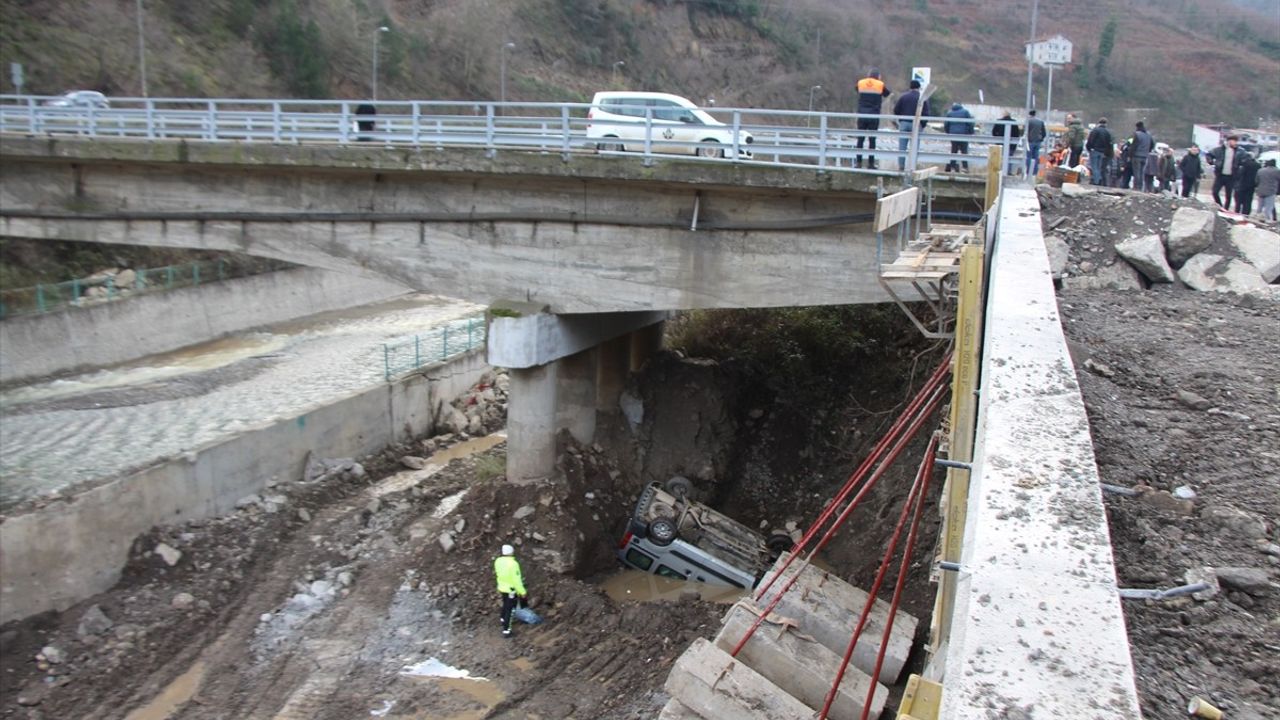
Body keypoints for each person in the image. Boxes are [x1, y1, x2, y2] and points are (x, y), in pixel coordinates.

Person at [854, 68, 891, 169]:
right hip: (874, 115)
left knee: (860, 139)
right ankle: (871, 164)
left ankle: (858, 163)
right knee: (872, 139)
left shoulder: (861, 82)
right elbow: (887, 94)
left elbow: (856, 90)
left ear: (868, 75)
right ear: (878, 76)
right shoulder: (880, 84)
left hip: (862, 114)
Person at [892, 79, 930, 171]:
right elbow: (926, 113)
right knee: (914, 147)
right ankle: (912, 167)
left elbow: (896, 110)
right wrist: (922, 124)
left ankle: (901, 166)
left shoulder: (903, 97)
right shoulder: (922, 98)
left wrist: (901, 119)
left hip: (904, 123)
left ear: (910, 87)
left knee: (902, 147)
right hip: (916, 124)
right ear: (919, 87)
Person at [494, 544, 527, 638]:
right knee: (510, 609)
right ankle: (507, 631)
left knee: (505, 604)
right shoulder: (513, 564)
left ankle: (503, 619)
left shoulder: (498, 561)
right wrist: (522, 592)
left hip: (502, 587)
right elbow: (517, 580)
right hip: (511, 590)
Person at [1209, 135, 1245, 208]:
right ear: (1229, 141)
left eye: (1236, 141)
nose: (1235, 143)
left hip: (1232, 176)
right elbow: (1209, 154)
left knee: (1228, 195)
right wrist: (1211, 162)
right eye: (1233, 141)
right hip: (1220, 174)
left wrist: (1241, 166)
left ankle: (1226, 209)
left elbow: (1245, 159)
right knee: (1215, 192)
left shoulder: (1240, 151)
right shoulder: (1219, 149)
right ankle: (1219, 206)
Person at [943, 102, 976, 172]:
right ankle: (965, 168)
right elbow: (970, 123)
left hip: (953, 134)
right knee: (964, 151)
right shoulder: (965, 112)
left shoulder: (950, 113)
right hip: (963, 134)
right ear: (961, 106)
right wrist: (971, 132)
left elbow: (946, 125)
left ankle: (952, 167)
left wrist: (948, 132)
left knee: (954, 151)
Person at [1085, 117, 1113, 186]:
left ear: (1099, 122)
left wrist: (1089, 148)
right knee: (1099, 166)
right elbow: (1109, 143)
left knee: (1094, 166)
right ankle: (1099, 179)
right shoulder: (1107, 132)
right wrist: (1107, 153)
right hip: (1102, 152)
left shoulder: (1095, 130)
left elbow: (1090, 140)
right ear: (1106, 123)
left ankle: (1096, 181)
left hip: (1094, 150)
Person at [991, 111, 1021, 175]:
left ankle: (998, 171)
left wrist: (997, 139)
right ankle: (1008, 172)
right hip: (1011, 144)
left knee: (999, 157)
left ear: (1003, 115)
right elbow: (1017, 134)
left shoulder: (999, 121)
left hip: (1000, 143)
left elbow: (993, 132)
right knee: (1009, 158)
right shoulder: (1014, 122)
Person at [1129, 122, 1154, 191]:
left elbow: (1134, 146)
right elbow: (1152, 145)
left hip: (1137, 156)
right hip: (1145, 156)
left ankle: (1136, 187)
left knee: (1136, 172)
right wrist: (1147, 151)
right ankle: (1141, 187)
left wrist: (1130, 155)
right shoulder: (1149, 135)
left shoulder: (1137, 134)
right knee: (1142, 172)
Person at [1024, 109, 1046, 177]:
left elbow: (1024, 131)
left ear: (1029, 114)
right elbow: (1044, 132)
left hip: (1030, 141)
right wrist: (1041, 139)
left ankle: (1028, 172)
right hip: (1038, 141)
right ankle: (1035, 172)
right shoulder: (1040, 121)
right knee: (1035, 157)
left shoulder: (1028, 121)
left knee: (1028, 157)